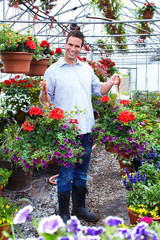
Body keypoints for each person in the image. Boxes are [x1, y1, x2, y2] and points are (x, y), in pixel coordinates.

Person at [40, 30, 121, 223]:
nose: (73, 49)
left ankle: (79, 208)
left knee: (82, 172)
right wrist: (43, 91)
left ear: (81, 47)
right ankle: (64, 213)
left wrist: (110, 82)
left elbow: (99, 90)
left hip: (86, 130)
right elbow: (45, 102)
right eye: (70, 45)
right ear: (65, 44)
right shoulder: (53, 71)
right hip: (66, 132)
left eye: (77, 46)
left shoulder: (87, 69)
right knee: (66, 173)